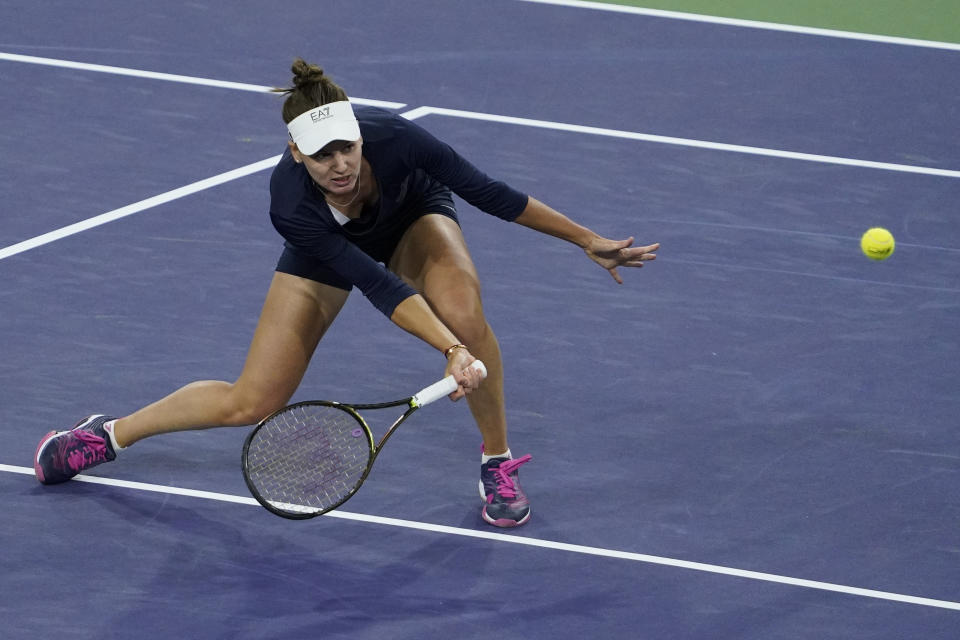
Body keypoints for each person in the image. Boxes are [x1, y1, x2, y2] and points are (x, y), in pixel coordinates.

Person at [33, 59, 659, 528]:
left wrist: (585, 239)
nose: (339, 165)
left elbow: (487, 192)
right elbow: (375, 282)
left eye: (347, 148)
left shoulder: (398, 140)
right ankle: (108, 435)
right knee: (252, 400)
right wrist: (446, 351)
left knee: (465, 313)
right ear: (294, 154)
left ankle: (497, 460)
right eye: (321, 155)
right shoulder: (292, 206)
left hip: (413, 216)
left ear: (361, 136)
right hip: (329, 255)